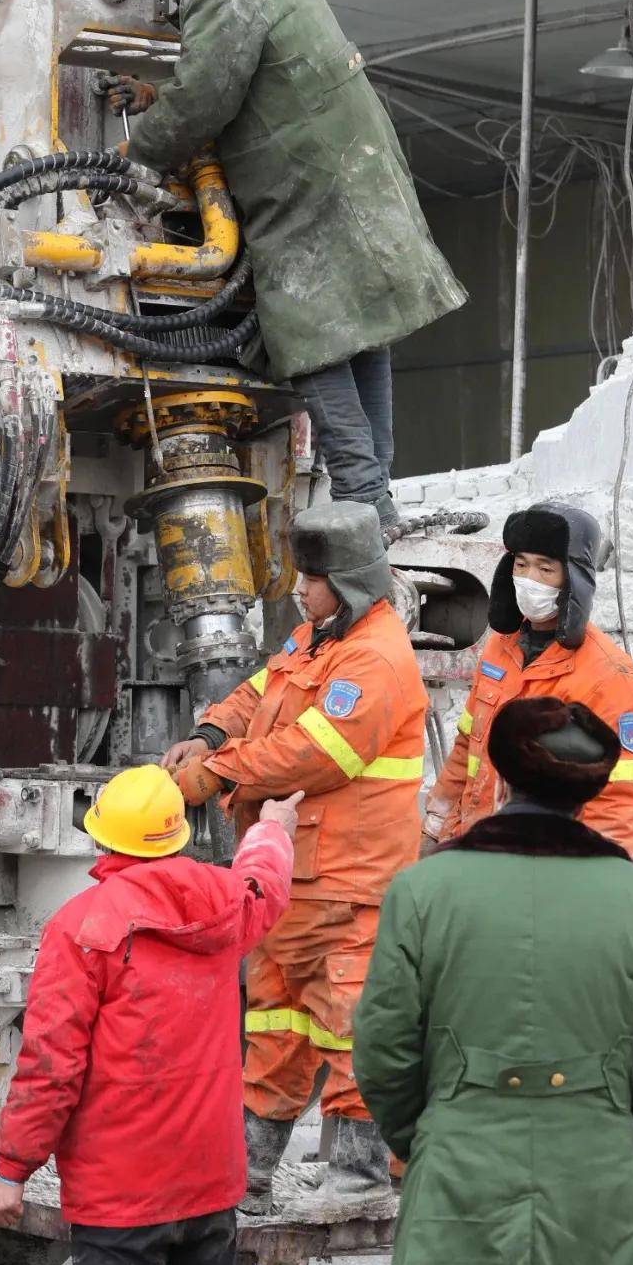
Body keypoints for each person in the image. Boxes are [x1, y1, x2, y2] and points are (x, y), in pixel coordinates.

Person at [356, 695, 633, 1265]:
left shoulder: (423, 890)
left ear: (504, 774)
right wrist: (615, 1133)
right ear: (592, 789)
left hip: (459, 1156)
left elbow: (383, 1050)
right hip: (596, 1162)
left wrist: (433, 1130)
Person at [115, 0, 466, 539]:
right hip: (345, 166)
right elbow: (241, 73)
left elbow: (210, 94)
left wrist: (141, 160)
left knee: (309, 339)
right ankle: (375, 499)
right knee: (360, 331)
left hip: (307, 183)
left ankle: (364, 501)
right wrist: (154, 93)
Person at [165, 503, 428, 1213]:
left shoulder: (374, 657)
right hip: (297, 877)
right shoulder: (318, 635)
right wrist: (212, 731)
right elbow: (262, 690)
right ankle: (244, 1180)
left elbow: (318, 750)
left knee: (351, 1023)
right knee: (276, 1026)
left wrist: (223, 772)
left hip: (353, 879)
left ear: (347, 581)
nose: (301, 589)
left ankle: (357, 1181)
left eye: (313, 578)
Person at [0, 765, 296, 1265]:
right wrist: (273, 829)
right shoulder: (226, 904)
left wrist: (12, 1169)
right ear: (178, 835)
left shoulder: (82, 927)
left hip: (120, 1195)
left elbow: (52, 1064)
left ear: (102, 840)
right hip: (209, 1183)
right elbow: (266, 885)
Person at [423, 499, 633, 857]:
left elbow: (617, 797)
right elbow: (468, 746)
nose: (529, 580)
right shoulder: (499, 647)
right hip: (478, 850)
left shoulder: (607, 674)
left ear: (573, 579)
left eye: (546, 569)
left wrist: (598, 879)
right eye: (521, 564)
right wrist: (434, 830)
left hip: (545, 864)